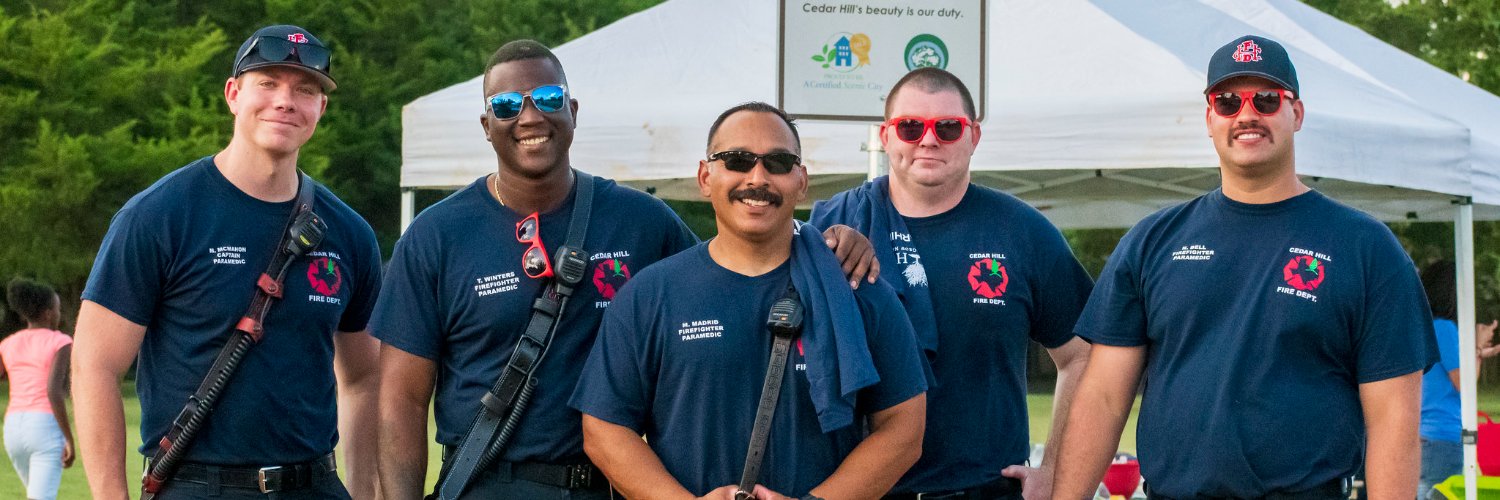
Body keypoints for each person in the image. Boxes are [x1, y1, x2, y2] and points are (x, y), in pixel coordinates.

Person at [373, 41, 880, 499]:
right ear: (487, 125)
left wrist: (820, 240)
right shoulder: (437, 234)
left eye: (547, 99)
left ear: (572, 111)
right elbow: (401, 400)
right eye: (506, 105)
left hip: (608, 484)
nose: (529, 117)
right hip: (487, 482)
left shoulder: (641, 221)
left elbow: (734, 267)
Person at [1052, 35, 1436, 499]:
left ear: (1297, 113)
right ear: (1209, 119)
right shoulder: (1153, 241)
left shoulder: (1365, 247)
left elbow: (1393, 420)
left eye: (1266, 99)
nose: (1247, 114)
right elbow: (1103, 399)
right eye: (1228, 101)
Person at [72, 25, 383, 500]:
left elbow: (363, 378)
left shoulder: (349, 233)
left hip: (314, 486)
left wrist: (360, 493)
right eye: (268, 83)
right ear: (233, 95)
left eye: (305, 90)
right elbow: (94, 364)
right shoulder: (159, 216)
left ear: (321, 108)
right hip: (197, 486)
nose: (285, 101)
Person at [570, 101, 929, 499]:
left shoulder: (855, 286)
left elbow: (903, 426)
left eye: (778, 162)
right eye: (737, 160)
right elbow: (604, 428)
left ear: (801, 181)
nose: (758, 177)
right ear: (705, 176)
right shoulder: (650, 295)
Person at [810, 67, 1094, 500]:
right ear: (886, 136)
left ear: (973, 136)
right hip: (857, 491)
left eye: (947, 127)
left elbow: (1083, 354)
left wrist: (1055, 469)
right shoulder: (832, 226)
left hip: (983, 491)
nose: (928, 140)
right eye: (910, 127)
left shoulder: (1022, 231)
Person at [1417, 260, 1500, 498]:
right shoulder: (1444, 328)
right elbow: (1465, 384)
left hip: (1427, 434)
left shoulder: (1426, 327)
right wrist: (1477, 345)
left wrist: (1479, 352)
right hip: (1443, 435)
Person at [0, 278, 73, 500]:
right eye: (58, 309)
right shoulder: (60, 342)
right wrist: (69, 438)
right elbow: (53, 391)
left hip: (12, 428)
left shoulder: (8, 343)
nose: (59, 314)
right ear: (49, 313)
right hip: (44, 427)